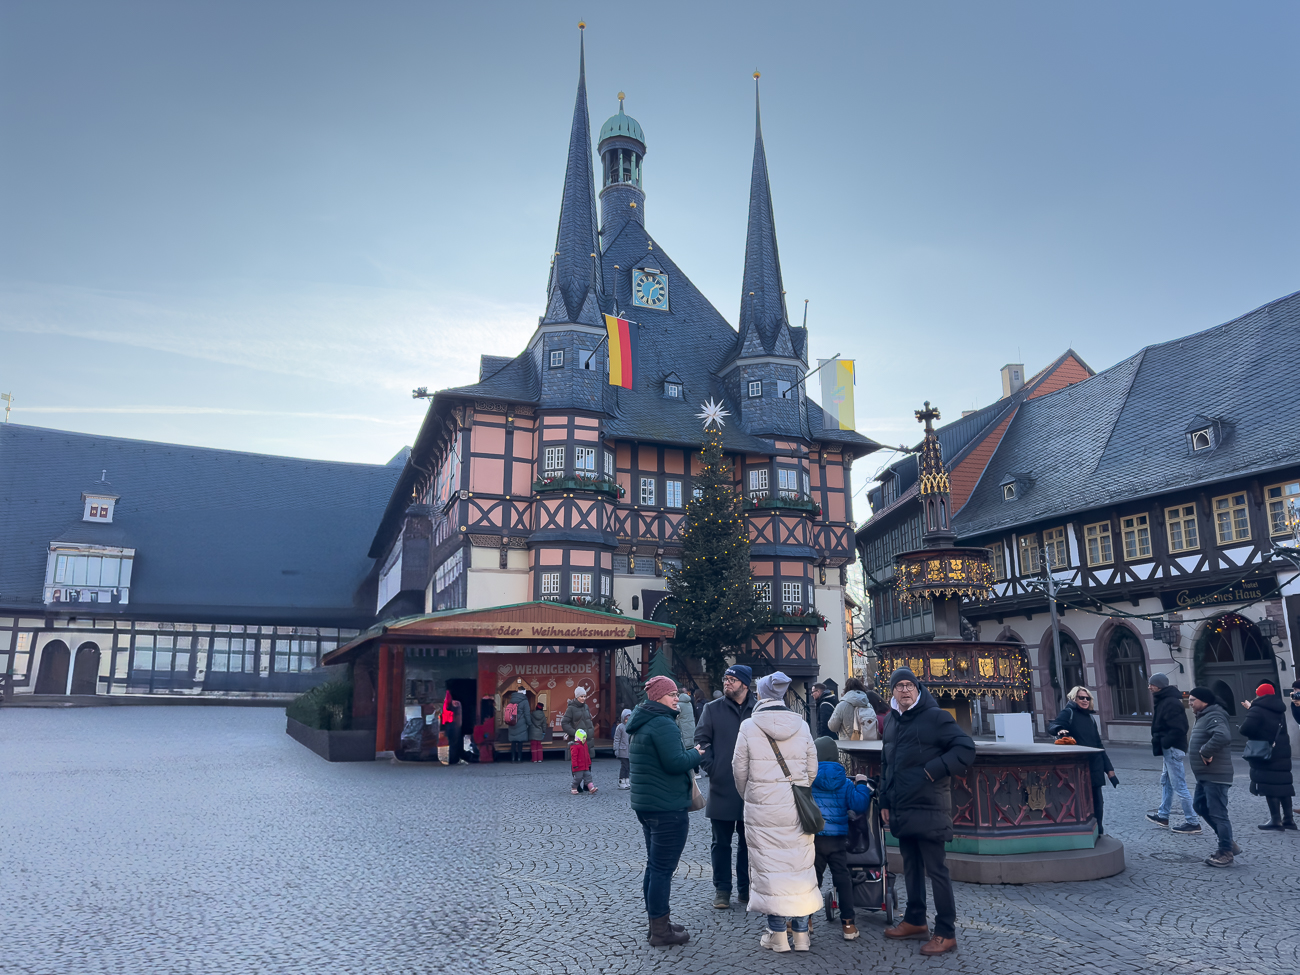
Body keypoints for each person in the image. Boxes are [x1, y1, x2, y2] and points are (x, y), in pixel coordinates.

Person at [880, 667, 974, 957]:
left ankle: (946, 932)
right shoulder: (892, 720)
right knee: (910, 866)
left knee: (936, 870)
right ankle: (915, 920)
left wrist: (934, 770)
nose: (905, 690)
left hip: (930, 805)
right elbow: (887, 764)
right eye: (899, 686)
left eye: (909, 685)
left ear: (918, 689)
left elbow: (965, 749)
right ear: (893, 692)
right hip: (902, 805)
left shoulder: (936, 717)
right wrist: (885, 801)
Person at [732, 671, 822, 953]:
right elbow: (812, 768)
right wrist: (799, 788)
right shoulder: (801, 725)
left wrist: (751, 795)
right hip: (796, 806)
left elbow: (739, 771)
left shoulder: (749, 726)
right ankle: (801, 934)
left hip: (762, 808)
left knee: (770, 869)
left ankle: (777, 934)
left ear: (760, 694)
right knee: (799, 867)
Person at [629, 675, 705, 947]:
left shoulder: (643, 721)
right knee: (662, 869)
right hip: (667, 807)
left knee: (654, 867)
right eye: (672, 694)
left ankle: (657, 924)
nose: (677, 699)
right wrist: (696, 754)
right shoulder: (663, 723)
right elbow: (675, 762)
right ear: (659, 697)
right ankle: (661, 931)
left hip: (647, 805)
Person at [695, 664, 756, 909]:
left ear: (745, 684)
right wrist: (714, 768)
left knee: (748, 843)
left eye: (732, 679)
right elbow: (701, 742)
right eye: (725, 678)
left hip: (752, 788)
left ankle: (745, 889)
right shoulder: (712, 709)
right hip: (722, 786)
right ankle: (722, 889)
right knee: (720, 843)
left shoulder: (758, 709)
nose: (726, 682)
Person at [810, 736, 872, 940]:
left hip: (815, 839)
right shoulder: (845, 782)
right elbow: (859, 805)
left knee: (812, 881)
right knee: (843, 880)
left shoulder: (809, 780)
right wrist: (861, 784)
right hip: (837, 840)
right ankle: (848, 925)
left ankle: (805, 923)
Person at [1049, 686, 1118, 833]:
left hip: (1095, 766)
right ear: (1074, 698)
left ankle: (1099, 831)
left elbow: (1098, 744)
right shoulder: (1068, 712)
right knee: (1081, 802)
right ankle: (1083, 832)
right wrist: (1059, 729)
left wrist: (1109, 770)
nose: (1085, 700)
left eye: (1087, 698)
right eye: (1081, 698)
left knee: (1098, 803)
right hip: (1079, 767)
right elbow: (1053, 725)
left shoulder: (1090, 717)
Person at [1144, 673, 1201, 834]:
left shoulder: (1170, 702)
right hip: (1169, 748)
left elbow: (1179, 728)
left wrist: (1166, 742)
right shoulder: (1165, 700)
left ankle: (1193, 822)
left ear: (1160, 686)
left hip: (1172, 748)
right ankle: (1163, 816)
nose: (1149, 687)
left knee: (1179, 786)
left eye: (1152, 684)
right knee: (1166, 782)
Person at [1187, 687, 1238, 866]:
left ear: (1204, 701)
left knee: (1218, 814)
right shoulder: (1204, 715)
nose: (1189, 703)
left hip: (1216, 775)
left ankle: (1226, 852)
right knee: (1199, 806)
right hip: (1205, 775)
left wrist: (1205, 751)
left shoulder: (1214, 715)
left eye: (1193, 700)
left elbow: (1223, 736)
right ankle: (1228, 842)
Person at [1240, 682, 1296, 831]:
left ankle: (1275, 820)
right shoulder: (1278, 708)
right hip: (1282, 751)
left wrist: (1251, 710)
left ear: (1259, 694)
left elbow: (1245, 729)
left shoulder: (1257, 709)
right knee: (1283, 784)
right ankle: (1289, 819)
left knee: (1269, 785)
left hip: (1265, 752)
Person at [828, 677, 879, 741]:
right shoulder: (868, 704)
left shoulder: (841, 705)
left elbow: (832, 727)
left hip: (847, 744)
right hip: (866, 743)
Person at [505, 682, 531, 763]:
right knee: (520, 742)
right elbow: (527, 714)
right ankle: (519, 759)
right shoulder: (525, 701)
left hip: (512, 723)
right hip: (521, 723)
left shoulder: (511, 700)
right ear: (524, 692)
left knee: (513, 742)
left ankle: (512, 758)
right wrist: (529, 723)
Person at [570, 729, 595, 794]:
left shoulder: (585, 745)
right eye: (583, 737)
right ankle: (574, 788)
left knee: (588, 776)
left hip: (585, 766)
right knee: (578, 778)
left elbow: (587, 755)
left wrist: (589, 762)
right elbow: (574, 757)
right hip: (578, 767)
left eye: (585, 737)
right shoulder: (575, 746)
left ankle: (591, 788)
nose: (584, 739)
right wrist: (575, 765)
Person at [614, 708, 632, 789]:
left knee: (628, 767)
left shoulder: (631, 727)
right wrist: (616, 749)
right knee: (624, 766)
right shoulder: (620, 727)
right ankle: (621, 780)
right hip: (622, 750)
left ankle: (627, 780)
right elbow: (617, 739)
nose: (627, 721)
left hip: (629, 751)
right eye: (626, 719)